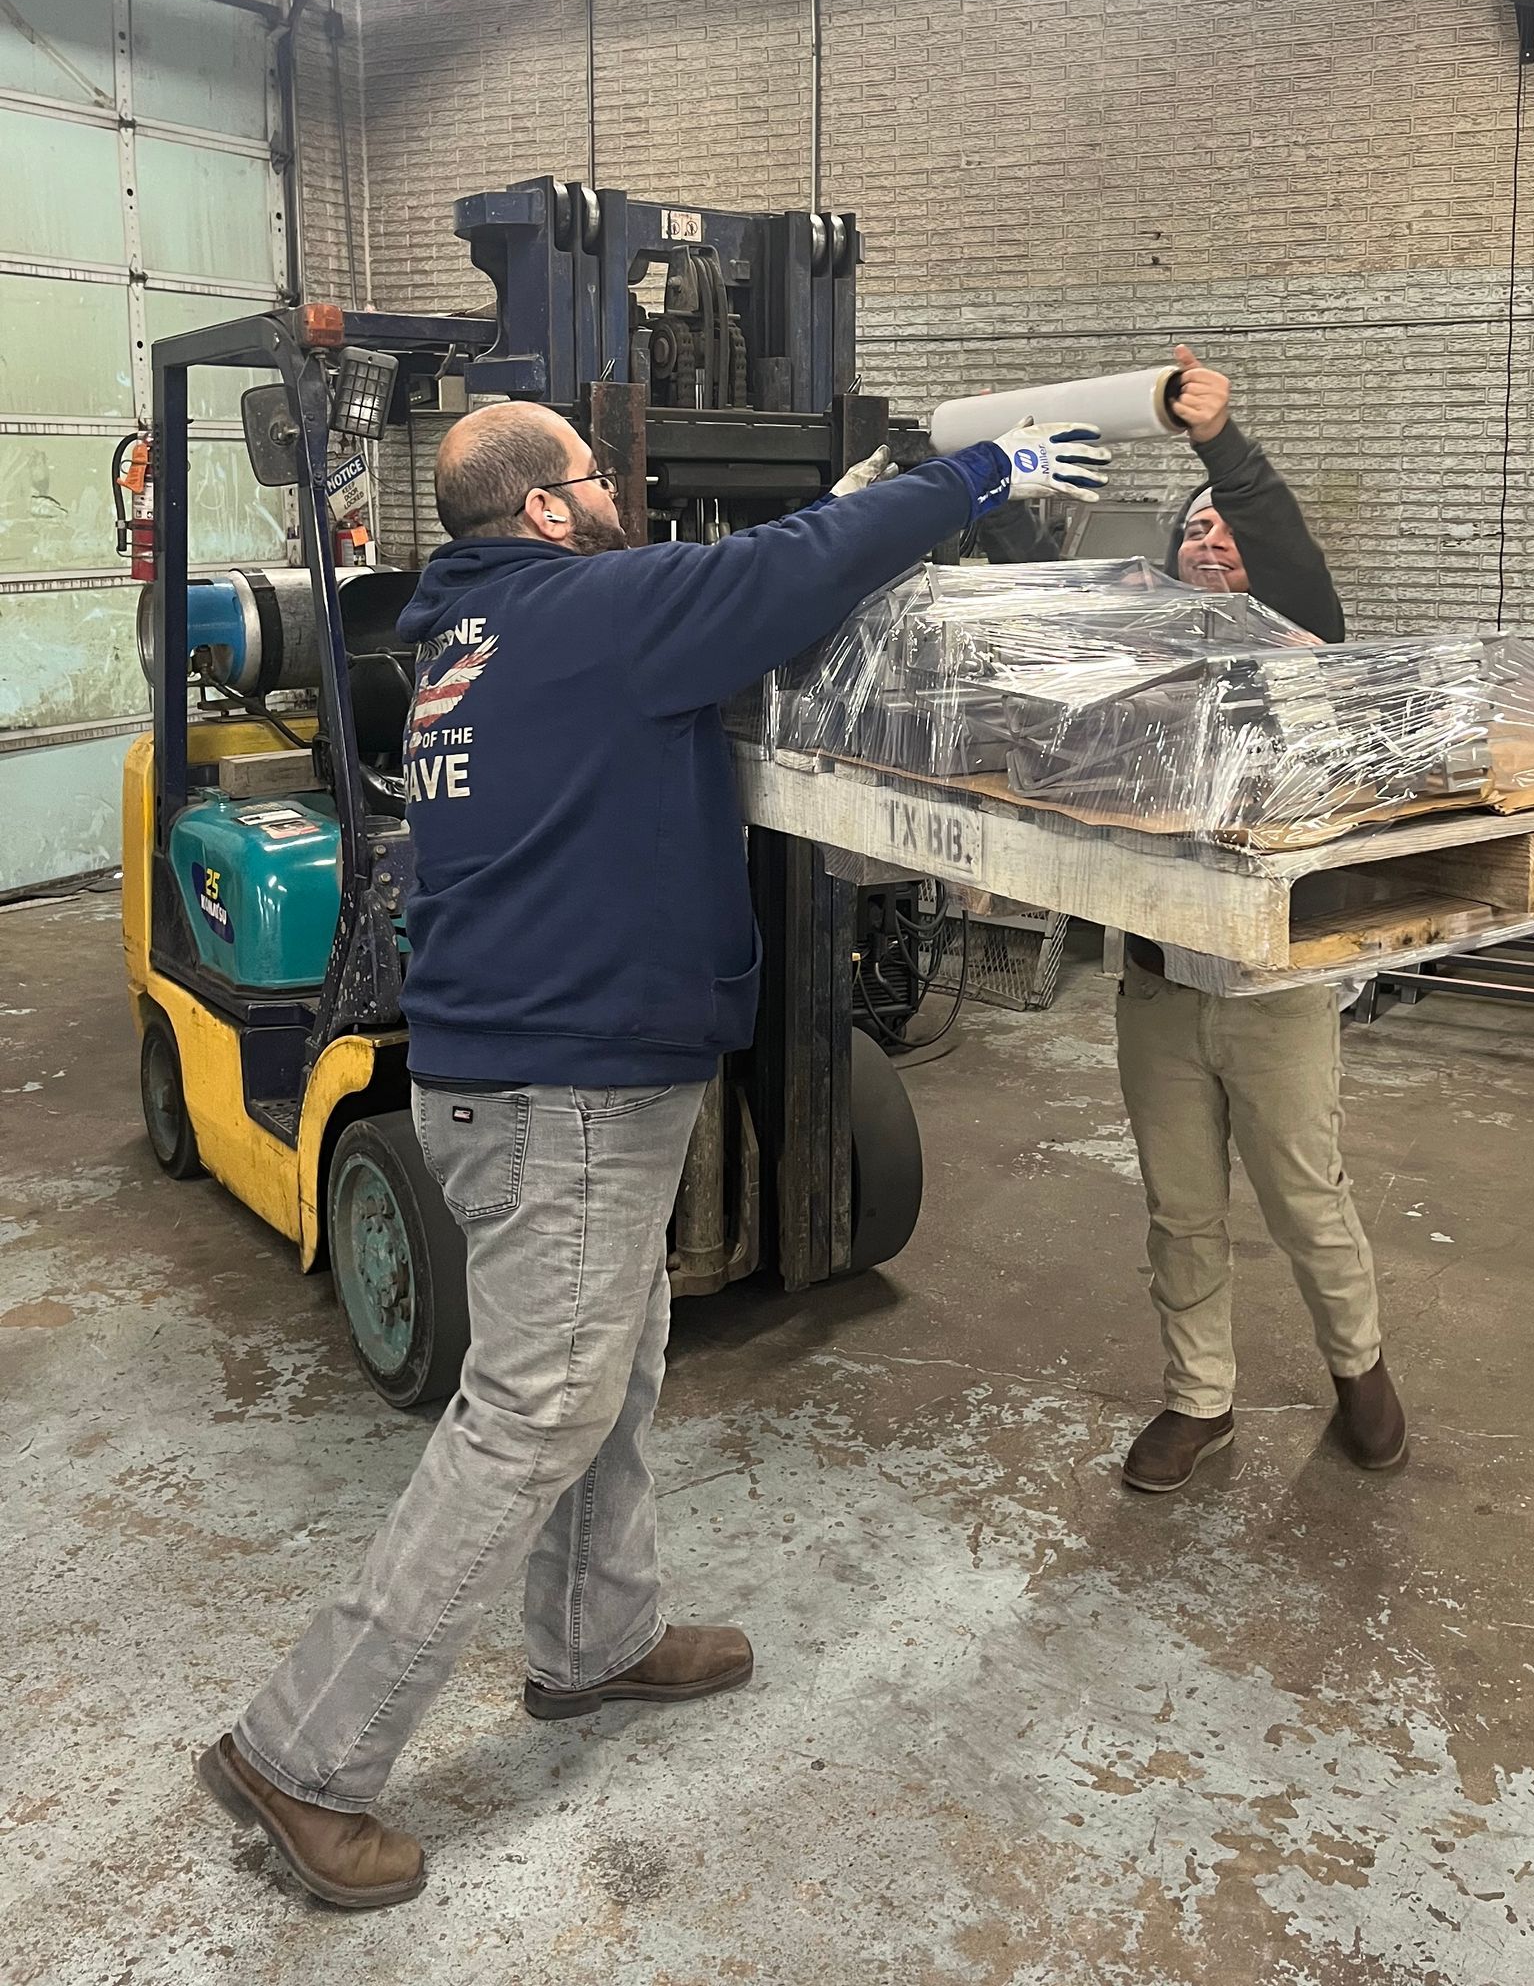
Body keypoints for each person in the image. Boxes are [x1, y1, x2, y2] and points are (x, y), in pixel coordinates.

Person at [198, 398, 1110, 1910]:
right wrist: (973, 477)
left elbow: (742, 593)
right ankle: (302, 1755)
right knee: (535, 1411)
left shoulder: (468, 636)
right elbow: (790, 569)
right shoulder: (592, 615)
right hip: (563, 1086)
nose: (619, 491)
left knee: (613, 1363)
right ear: (550, 512)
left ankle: (594, 1638)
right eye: (599, 476)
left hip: (529, 1069)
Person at [1114, 346, 1406, 1493]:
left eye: (1224, 530)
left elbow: (1282, 546)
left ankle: (1361, 1371)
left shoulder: (1304, 644)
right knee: (1180, 1208)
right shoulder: (1132, 665)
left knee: (1305, 1196)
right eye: (1192, 531)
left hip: (1274, 979)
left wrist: (1221, 452)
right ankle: (1200, 1402)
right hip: (1158, 982)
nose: (1209, 540)